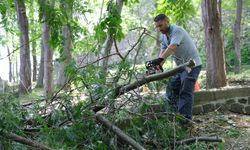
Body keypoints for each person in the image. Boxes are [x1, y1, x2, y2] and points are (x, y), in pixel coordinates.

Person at [150, 14, 202, 121]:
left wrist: (159, 61)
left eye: (160, 25)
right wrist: (158, 65)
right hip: (182, 68)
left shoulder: (177, 31)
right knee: (172, 87)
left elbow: (172, 47)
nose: (159, 29)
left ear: (167, 22)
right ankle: (173, 114)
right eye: (157, 27)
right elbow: (163, 52)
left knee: (185, 90)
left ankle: (185, 119)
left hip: (193, 65)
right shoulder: (164, 36)